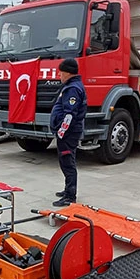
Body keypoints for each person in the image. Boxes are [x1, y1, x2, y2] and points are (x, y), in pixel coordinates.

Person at [49, 58, 86, 207]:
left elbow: (70, 114)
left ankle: (70, 196)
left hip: (68, 133)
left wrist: (61, 132)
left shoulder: (72, 89)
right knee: (66, 161)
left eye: (61, 73)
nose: (59, 76)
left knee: (67, 162)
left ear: (67, 73)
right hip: (68, 132)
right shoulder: (71, 86)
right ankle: (67, 190)